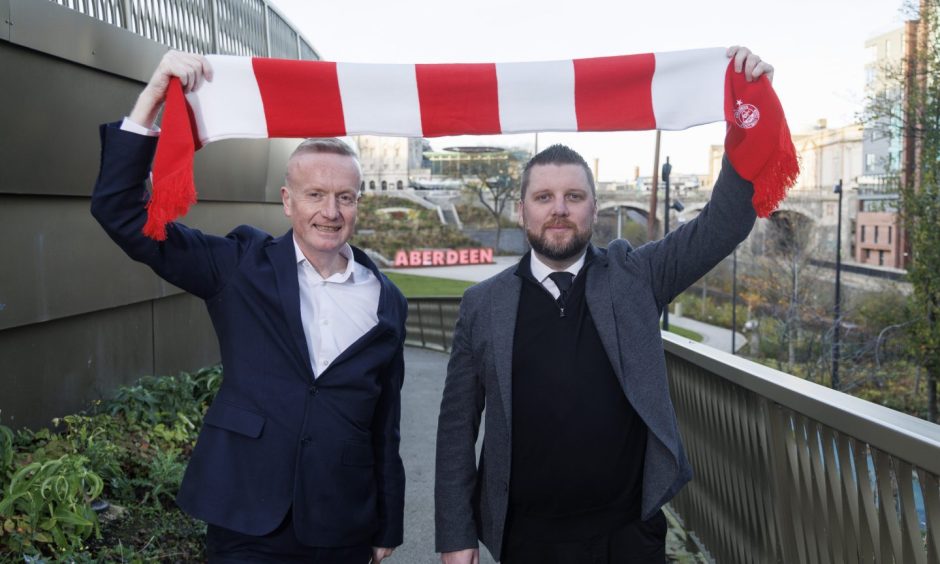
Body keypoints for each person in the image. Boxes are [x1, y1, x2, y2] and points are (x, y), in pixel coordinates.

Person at [435, 46, 773, 564]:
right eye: (544, 197)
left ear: (595, 206)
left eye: (573, 196)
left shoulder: (635, 276)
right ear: (523, 209)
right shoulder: (484, 306)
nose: (559, 210)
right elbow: (458, 428)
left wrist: (747, 110)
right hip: (527, 540)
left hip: (627, 537)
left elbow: (725, 222)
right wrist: (456, 536)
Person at [91, 51, 405, 564]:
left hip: (342, 524)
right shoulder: (239, 264)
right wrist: (153, 96)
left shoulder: (385, 299)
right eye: (316, 195)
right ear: (287, 200)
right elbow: (123, 214)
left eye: (345, 197)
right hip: (246, 520)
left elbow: (384, 422)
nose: (331, 212)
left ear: (358, 203)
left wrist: (387, 522)